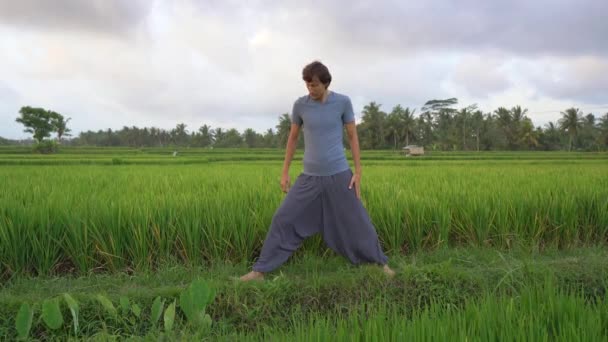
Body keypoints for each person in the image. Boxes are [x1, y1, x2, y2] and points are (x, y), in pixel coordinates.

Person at [240, 61, 395, 281]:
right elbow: (293, 138)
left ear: (325, 83)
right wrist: (284, 172)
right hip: (309, 178)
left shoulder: (343, 102)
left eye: (314, 85)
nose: (310, 90)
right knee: (283, 218)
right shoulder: (300, 105)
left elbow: (353, 137)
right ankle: (260, 271)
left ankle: (380, 264)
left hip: (339, 175)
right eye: (307, 85)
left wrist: (358, 172)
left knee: (358, 221)